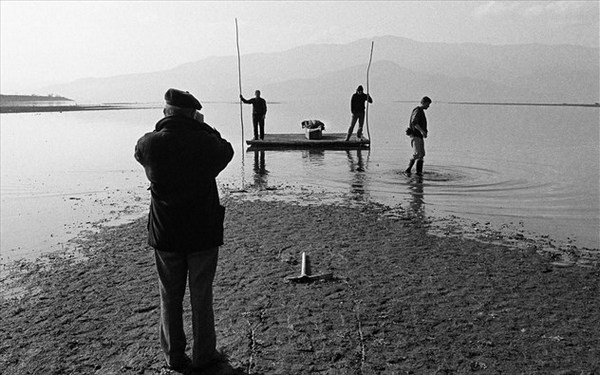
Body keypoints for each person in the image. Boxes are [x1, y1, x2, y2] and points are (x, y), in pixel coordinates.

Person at [134, 88, 234, 373]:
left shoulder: (149, 144)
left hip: (166, 234)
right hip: (202, 233)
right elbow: (227, 150)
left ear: (166, 112)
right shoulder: (205, 142)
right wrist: (204, 127)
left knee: (169, 296)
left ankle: (174, 356)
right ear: (193, 114)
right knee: (201, 296)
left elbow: (139, 154)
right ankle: (204, 356)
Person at [405, 96, 432, 176]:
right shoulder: (418, 110)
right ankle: (408, 170)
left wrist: (424, 132)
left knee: (421, 155)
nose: (428, 106)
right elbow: (414, 122)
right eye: (428, 104)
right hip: (415, 135)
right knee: (417, 154)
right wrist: (422, 131)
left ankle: (418, 172)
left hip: (419, 136)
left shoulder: (421, 111)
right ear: (423, 102)